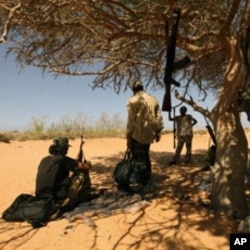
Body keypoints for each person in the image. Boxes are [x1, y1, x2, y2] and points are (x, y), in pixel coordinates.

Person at [35, 137, 91, 216]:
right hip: (58, 201)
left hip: (42, 199)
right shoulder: (63, 160)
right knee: (82, 173)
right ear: (64, 149)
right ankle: (84, 195)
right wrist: (88, 164)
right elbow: (84, 167)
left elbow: (72, 163)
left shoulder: (44, 160)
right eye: (66, 148)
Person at [125, 80, 164, 190]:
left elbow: (131, 120)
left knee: (138, 159)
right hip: (149, 134)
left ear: (133, 90)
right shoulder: (153, 99)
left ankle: (142, 183)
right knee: (146, 155)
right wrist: (158, 132)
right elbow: (159, 118)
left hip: (137, 134)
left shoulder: (133, 100)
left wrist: (128, 136)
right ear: (143, 88)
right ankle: (147, 179)